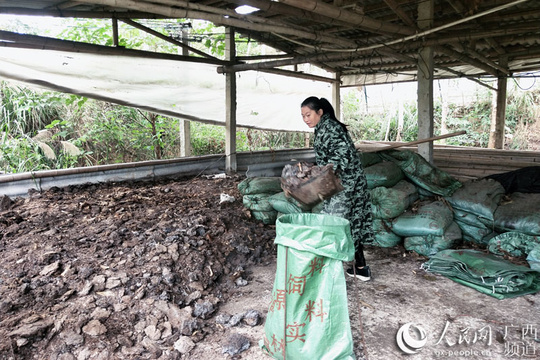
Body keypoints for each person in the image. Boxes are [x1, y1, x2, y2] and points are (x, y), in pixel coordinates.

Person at [301, 96, 374, 281]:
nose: (306, 119)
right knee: (351, 224)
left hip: (345, 185)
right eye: (302, 116)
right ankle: (361, 267)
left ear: (320, 112)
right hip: (346, 183)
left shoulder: (330, 128)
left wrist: (317, 172)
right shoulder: (324, 128)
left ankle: (327, 272)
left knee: (333, 225)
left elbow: (342, 158)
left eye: (308, 114)